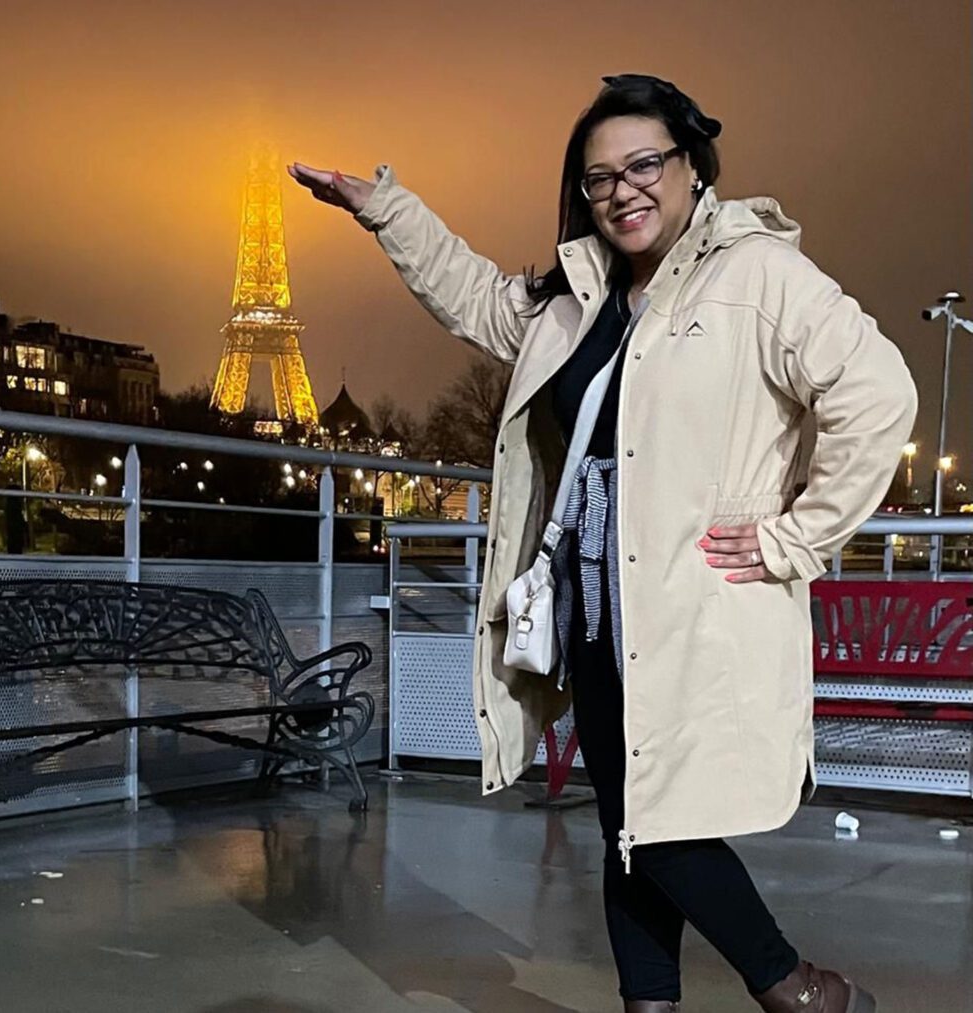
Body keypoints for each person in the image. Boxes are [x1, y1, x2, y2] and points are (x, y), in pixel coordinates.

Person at [289, 74, 916, 1013]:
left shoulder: (756, 275)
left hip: (695, 604)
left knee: (660, 827)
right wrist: (386, 209)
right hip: (594, 601)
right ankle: (652, 1003)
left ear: (692, 165)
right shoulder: (579, 296)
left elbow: (879, 393)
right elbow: (475, 298)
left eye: (644, 165)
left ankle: (796, 988)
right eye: (600, 178)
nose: (624, 191)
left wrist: (797, 536)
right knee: (628, 815)